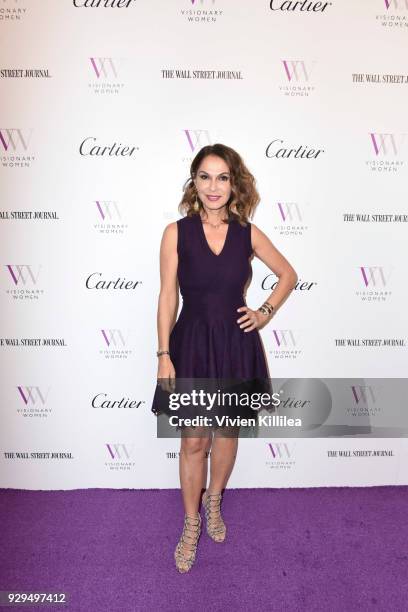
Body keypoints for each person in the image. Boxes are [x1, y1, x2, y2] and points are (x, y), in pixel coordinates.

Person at [151, 143, 298, 573]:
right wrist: (163, 354)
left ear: (235, 184)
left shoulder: (248, 233)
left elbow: (288, 275)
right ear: (193, 182)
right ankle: (191, 522)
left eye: (222, 177)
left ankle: (214, 502)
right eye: (205, 176)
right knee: (194, 440)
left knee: (226, 434)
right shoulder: (175, 232)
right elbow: (167, 297)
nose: (213, 186)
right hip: (192, 345)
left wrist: (264, 313)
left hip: (235, 344)